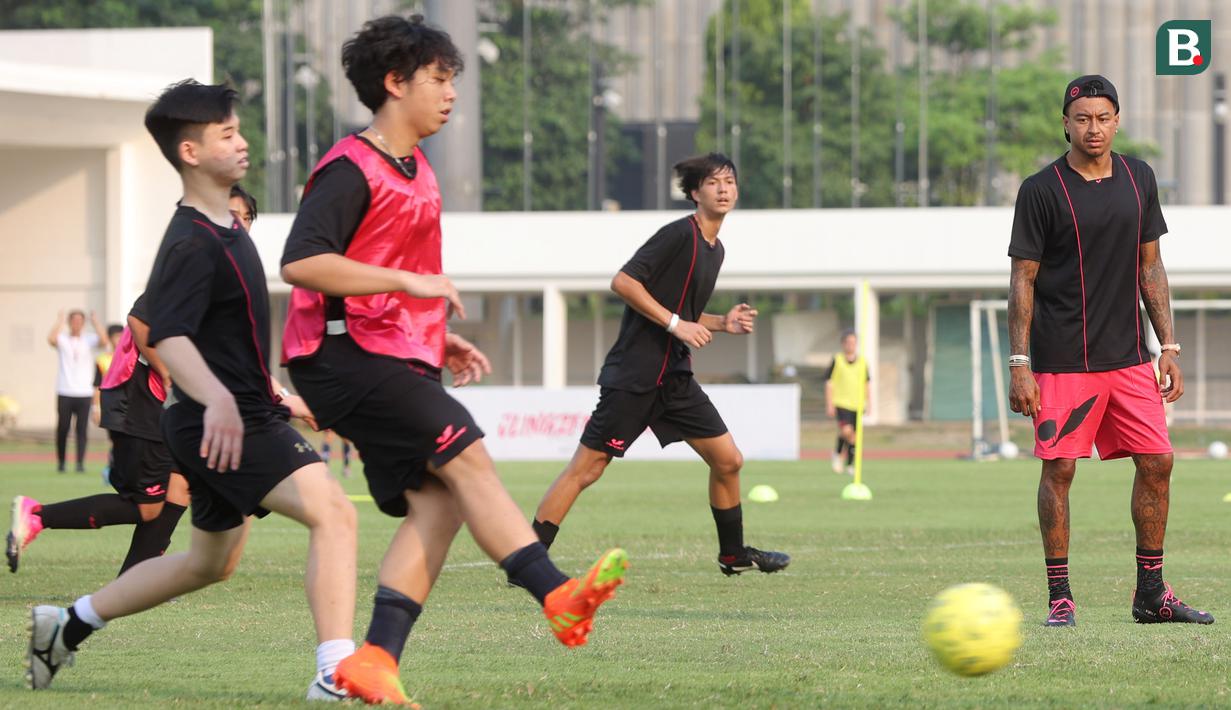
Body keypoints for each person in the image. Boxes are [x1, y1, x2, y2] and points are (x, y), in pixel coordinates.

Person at [279, 16, 626, 706]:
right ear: (394, 82)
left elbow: (388, 275)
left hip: (394, 354)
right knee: (467, 455)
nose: (451, 94)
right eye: (439, 79)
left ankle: (375, 659)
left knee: (437, 503)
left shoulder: (420, 170)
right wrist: (408, 285)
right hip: (343, 355)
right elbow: (302, 263)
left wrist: (434, 338)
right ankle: (555, 595)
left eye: (451, 81)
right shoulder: (350, 167)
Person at [25, 80, 360, 702]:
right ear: (190, 151)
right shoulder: (191, 241)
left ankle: (67, 624)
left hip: (224, 419)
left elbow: (228, 347)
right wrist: (221, 399)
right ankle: (336, 673)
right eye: (227, 134)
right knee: (335, 514)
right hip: (224, 424)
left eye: (239, 130)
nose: (243, 142)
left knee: (209, 564)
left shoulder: (225, 229)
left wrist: (279, 398)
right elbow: (165, 335)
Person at [1007, 74, 1212, 628]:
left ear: (1117, 121)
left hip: (1129, 358)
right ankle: (1060, 598)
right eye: (1082, 119)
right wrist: (1020, 364)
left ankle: (1151, 594)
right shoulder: (1041, 189)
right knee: (1059, 470)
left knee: (1159, 461)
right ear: (1066, 124)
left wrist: (1168, 346)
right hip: (1062, 361)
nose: (1092, 128)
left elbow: (1151, 266)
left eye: (1102, 118)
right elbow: (1023, 279)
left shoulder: (1139, 177)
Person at [531, 153, 790, 578]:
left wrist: (721, 323)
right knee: (587, 469)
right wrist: (675, 325)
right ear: (695, 193)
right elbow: (624, 282)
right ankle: (528, 560)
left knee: (729, 460)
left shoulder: (715, 249)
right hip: (636, 376)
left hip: (675, 378)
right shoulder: (678, 235)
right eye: (713, 183)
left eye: (729, 182)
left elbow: (684, 312)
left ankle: (732, 555)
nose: (723, 189)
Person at [9, 296, 189, 577]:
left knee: (180, 487)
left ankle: (136, 582)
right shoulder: (185, 277)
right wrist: (167, 373)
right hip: (140, 404)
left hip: (162, 408)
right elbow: (138, 320)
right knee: (147, 507)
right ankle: (37, 515)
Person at [48, 309, 108, 472]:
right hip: (64, 390)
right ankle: (61, 462)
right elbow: (51, 339)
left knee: (81, 429)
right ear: (69, 322)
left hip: (84, 392)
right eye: (73, 320)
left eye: (80, 321)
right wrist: (60, 321)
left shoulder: (89, 339)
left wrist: (95, 322)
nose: (76, 324)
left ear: (83, 323)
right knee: (63, 428)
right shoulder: (63, 339)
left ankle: (80, 463)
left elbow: (104, 341)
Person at [825, 330, 870, 476]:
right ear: (843, 344)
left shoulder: (862, 362)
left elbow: (866, 383)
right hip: (841, 402)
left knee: (854, 437)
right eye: (848, 342)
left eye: (853, 342)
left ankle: (850, 464)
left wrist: (868, 402)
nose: (851, 345)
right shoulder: (837, 360)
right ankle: (838, 454)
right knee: (846, 431)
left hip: (857, 403)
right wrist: (829, 403)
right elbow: (829, 383)